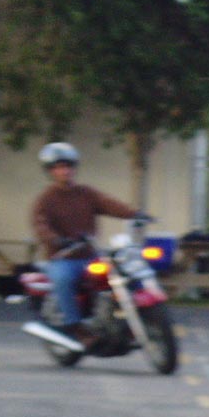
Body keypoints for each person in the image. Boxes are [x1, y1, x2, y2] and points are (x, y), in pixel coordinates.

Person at [30, 142, 145, 346]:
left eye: (68, 166)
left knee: (123, 274)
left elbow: (108, 203)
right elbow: (40, 224)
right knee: (64, 279)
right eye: (59, 167)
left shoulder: (86, 193)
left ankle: (134, 320)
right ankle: (75, 327)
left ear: (74, 168)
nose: (65, 171)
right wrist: (55, 240)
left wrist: (134, 214)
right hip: (62, 258)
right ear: (51, 171)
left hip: (90, 255)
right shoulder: (45, 200)